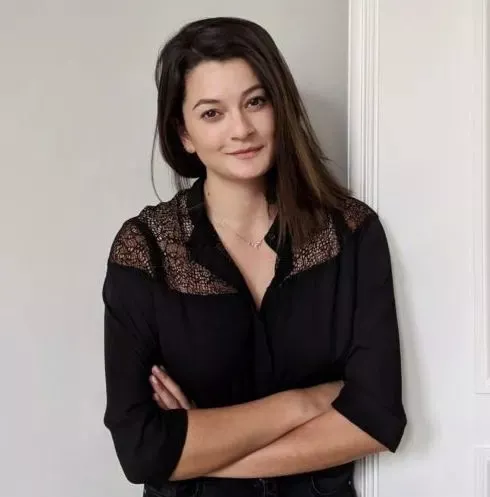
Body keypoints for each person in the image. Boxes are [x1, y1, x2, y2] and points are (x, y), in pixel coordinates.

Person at [102, 16, 407, 497]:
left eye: (255, 102)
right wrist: (304, 403)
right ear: (184, 133)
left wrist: (195, 451)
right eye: (212, 113)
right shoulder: (145, 250)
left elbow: (377, 419)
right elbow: (140, 450)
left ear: (280, 107)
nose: (241, 129)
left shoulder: (352, 234)